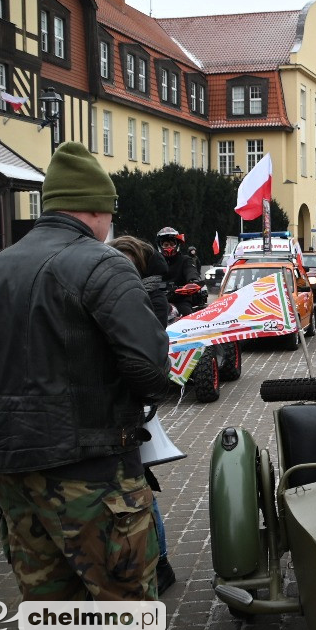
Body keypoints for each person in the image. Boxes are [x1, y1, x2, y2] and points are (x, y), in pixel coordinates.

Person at [0, 142, 171, 630]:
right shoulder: (102, 265)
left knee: (56, 619)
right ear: (98, 208)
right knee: (127, 619)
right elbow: (150, 372)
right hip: (92, 477)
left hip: (13, 481)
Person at [107, 235, 178, 593]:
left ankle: (160, 562)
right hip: (122, 407)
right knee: (137, 488)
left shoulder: (144, 296)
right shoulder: (136, 293)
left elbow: (148, 354)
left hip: (131, 408)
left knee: (139, 489)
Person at [156, 226, 202, 316]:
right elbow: (146, 274)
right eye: (165, 245)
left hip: (180, 299)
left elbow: (190, 270)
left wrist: (193, 281)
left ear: (177, 245)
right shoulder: (155, 261)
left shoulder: (185, 260)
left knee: (187, 315)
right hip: (158, 299)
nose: (169, 247)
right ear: (160, 246)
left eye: (172, 244)